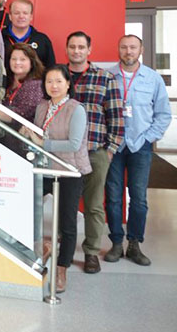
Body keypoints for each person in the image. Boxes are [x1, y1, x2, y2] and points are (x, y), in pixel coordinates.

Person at [105, 35, 172, 266]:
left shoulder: (152, 78)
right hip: (114, 145)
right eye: (124, 47)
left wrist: (149, 138)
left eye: (133, 47)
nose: (128, 51)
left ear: (140, 49)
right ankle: (116, 242)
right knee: (113, 196)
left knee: (139, 198)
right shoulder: (108, 76)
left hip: (140, 145)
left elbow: (163, 114)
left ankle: (134, 243)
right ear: (118, 49)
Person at [65, 31, 124, 275]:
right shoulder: (58, 76)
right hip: (65, 152)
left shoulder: (105, 78)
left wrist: (109, 151)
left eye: (81, 47)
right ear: (67, 49)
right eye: (72, 46)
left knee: (93, 206)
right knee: (65, 203)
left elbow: (116, 117)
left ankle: (91, 253)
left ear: (89, 49)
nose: (76, 51)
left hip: (95, 151)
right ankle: (65, 248)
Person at [32, 65, 90, 293]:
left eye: (58, 81)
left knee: (67, 222)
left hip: (69, 170)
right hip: (44, 169)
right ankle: (41, 247)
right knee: (31, 210)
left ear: (68, 84)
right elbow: (37, 133)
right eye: (49, 82)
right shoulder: (41, 107)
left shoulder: (76, 109)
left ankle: (62, 267)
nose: (53, 86)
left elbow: (74, 144)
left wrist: (42, 144)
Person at [0, 43, 46, 130]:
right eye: (14, 59)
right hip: (0, 132)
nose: (17, 62)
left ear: (32, 63)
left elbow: (22, 113)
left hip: (22, 137)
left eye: (22, 59)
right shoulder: (6, 81)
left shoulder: (35, 85)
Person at [3, 0, 56, 69]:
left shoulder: (42, 40)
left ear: (31, 16)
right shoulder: (0, 37)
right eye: (16, 13)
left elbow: (51, 69)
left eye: (25, 13)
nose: (21, 16)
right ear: (10, 16)